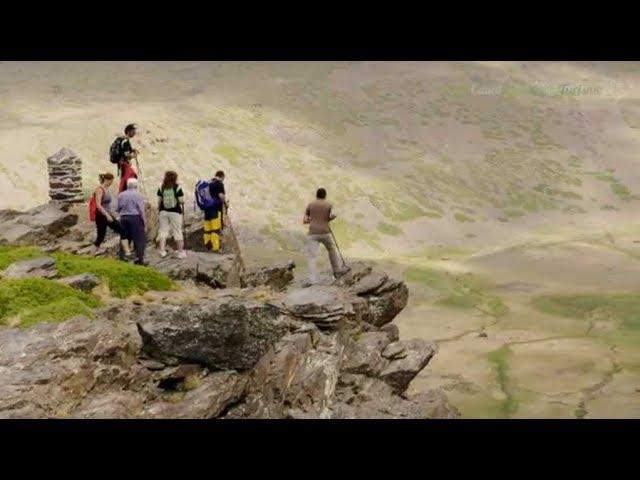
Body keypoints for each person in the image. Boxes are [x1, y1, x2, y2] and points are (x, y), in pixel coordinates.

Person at [303, 187, 348, 286]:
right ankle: (336, 271)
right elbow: (333, 215)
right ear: (325, 195)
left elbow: (305, 220)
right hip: (325, 232)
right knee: (331, 250)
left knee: (312, 256)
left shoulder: (310, 205)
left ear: (316, 195)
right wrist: (327, 219)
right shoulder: (328, 205)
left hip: (313, 233)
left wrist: (314, 219)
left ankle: (312, 280)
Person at [92, 173, 131, 258]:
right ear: (107, 180)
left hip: (108, 214)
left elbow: (107, 205)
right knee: (100, 236)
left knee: (122, 230)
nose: (111, 183)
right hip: (101, 216)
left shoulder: (106, 189)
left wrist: (112, 214)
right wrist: (107, 215)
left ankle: (127, 252)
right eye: (111, 181)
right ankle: (92, 253)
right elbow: (98, 205)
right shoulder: (99, 189)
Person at [117, 178, 147, 265]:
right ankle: (139, 258)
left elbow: (118, 208)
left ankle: (123, 257)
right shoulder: (138, 195)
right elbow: (141, 210)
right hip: (135, 218)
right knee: (139, 239)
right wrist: (144, 222)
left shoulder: (121, 195)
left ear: (127, 185)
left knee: (125, 237)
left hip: (123, 218)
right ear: (136, 186)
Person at [157, 170, 186, 259]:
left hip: (163, 211)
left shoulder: (161, 187)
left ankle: (162, 251)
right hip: (175, 212)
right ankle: (180, 252)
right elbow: (181, 201)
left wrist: (160, 210)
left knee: (163, 230)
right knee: (177, 231)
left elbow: (159, 201)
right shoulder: (177, 188)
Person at [203, 170, 229, 253]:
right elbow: (221, 195)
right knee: (215, 229)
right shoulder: (219, 184)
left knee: (208, 229)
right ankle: (215, 248)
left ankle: (207, 246)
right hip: (215, 209)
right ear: (222, 176)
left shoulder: (208, 183)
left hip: (207, 209)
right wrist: (225, 203)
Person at [112, 123, 140, 193]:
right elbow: (127, 155)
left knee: (125, 179)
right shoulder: (125, 141)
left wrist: (132, 150)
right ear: (128, 131)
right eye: (133, 131)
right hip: (125, 164)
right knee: (129, 178)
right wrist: (135, 155)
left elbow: (124, 151)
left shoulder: (122, 139)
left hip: (122, 164)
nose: (134, 133)